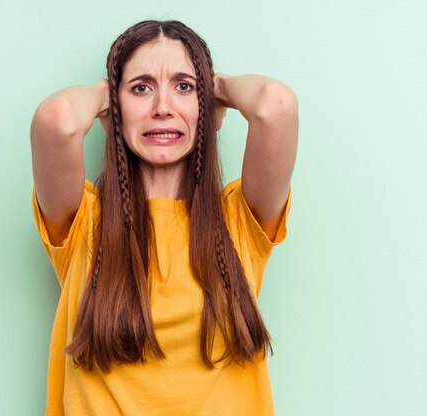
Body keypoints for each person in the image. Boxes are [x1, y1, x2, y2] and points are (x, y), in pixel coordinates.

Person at [30, 20, 298, 416]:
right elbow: (57, 119)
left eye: (184, 87)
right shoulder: (83, 221)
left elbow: (276, 105)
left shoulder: (239, 220)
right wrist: (109, 96)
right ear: (113, 106)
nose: (162, 107)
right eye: (141, 88)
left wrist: (214, 91)